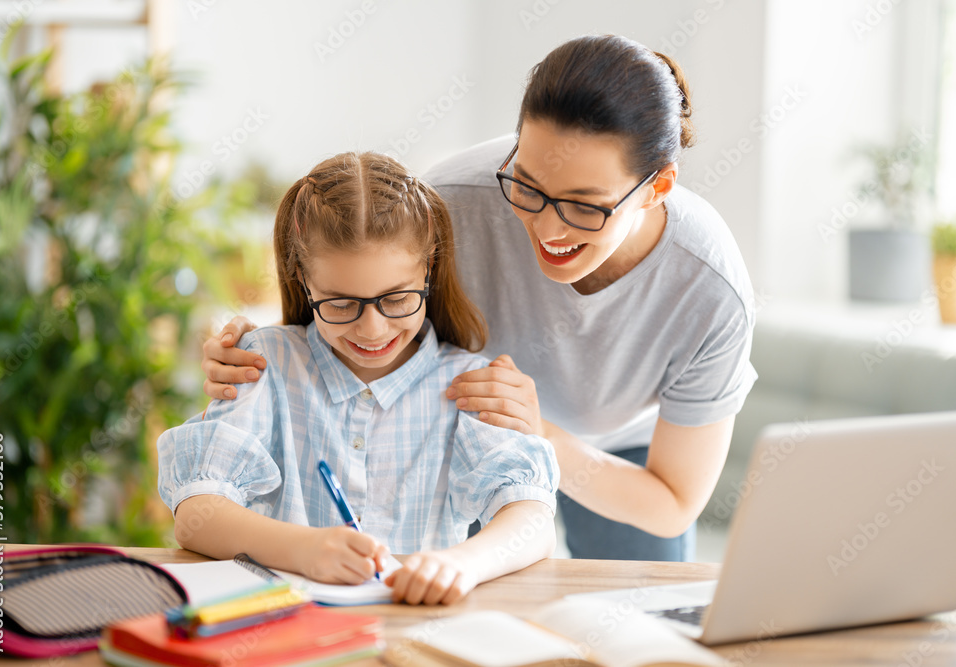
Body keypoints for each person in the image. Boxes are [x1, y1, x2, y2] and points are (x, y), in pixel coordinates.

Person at [199, 35, 756, 562]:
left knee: (642, 637)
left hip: (616, 458)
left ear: (658, 186)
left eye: (584, 206)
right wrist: (255, 349)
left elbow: (672, 504)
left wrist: (538, 430)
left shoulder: (709, 288)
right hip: (467, 429)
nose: (546, 226)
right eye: (529, 186)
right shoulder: (454, 201)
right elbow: (359, 289)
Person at [158, 152, 559, 606]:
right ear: (303, 282)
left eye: (397, 298)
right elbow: (196, 514)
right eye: (341, 303)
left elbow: (533, 521)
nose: (372, 330)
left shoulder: (469, 383)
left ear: (428, 270)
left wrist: (463, 564)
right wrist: (305, 550)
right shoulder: (265, 363)